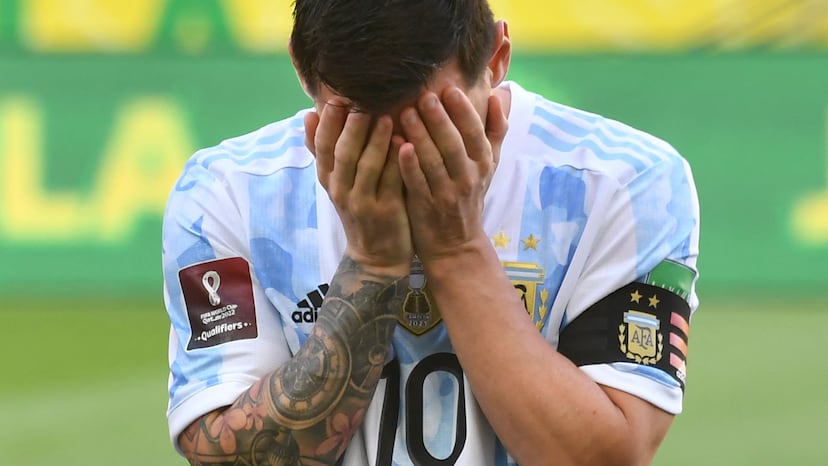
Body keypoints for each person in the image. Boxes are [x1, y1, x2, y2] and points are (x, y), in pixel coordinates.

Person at [161, 0, 701, 464]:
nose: (401, 155)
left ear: (496, 59)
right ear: (303, 73)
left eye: (432, 118)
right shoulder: (229, 192)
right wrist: (371, 265)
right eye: (358, 120)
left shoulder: (624, 183)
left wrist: (457, 249)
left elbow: (605, 457)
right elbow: (229, 453)